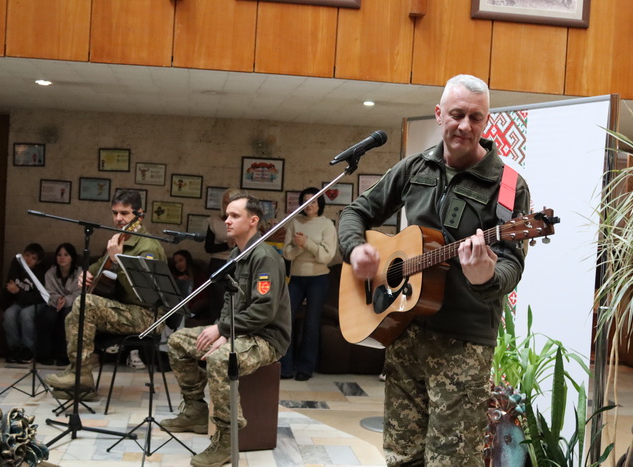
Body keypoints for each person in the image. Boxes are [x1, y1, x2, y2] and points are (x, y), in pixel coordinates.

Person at [337, 74, 531, 466]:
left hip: (463, 343)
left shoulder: (509, 185)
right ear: (439, 114)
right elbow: (356, 211)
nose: (465, 126)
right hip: (404, 329)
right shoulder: (415, 167)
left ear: (486, 121)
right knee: (401, 455)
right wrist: (355, 248)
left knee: (451, 460)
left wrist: (486, 277)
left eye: (476, 117)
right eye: (457, 114)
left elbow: (511, 263)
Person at [160, 193, 291, 467]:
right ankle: (195, 410)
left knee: (221, 359)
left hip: (266, 338)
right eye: (227, 215)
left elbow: (264, 311)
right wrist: (223, 332)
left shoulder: (265, 257)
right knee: (178, 340)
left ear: (253, 221)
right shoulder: (235, 255)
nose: (227, 221)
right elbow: (228, 305)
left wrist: (224, 330)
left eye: (234, 216)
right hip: (239, 332)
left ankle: (227, 438)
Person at [45, 190, 167, 392]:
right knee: (74, 314)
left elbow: (145, 295)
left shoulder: (148, 247)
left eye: (124, 213)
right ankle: (78, 373)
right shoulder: (118, 239)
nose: (118, 218)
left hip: (147, 315)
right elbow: (98, 267)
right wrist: (87, 274)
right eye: (115, 213)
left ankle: (80, 374)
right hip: (124, 308)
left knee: (86, 304)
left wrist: (118, 260)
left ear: (140, 215)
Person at [280, 187, 337, 381]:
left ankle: (305, 368)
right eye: (305, 202)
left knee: (312, 323)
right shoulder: (295, 222)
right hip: (296, 278)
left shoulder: (327, 225)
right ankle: (286, 367)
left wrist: (307, 243)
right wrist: (299, 247)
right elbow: (287, 254)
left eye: (313, 201)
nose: (309, 205)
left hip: (318, 279)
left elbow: (326, 257)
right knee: (286, 320)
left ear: (319, 204)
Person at [36, 243, 82, 366]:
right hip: (54, 302)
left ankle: (64, 356)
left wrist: (66, 300)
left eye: (66, 255)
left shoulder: (79, 273)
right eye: (59, 255)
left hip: (72, 302)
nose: (62, 258)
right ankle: (45, 355)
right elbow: (48, 291)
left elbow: (79, 292)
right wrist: (58, 299)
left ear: (72, 257)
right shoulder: (50, 273)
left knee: (67, 316)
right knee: (48, 317)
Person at [2, 243, 46, 364]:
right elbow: (9, 286)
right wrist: (15, 292)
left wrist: (18, 292)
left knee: (25, 314)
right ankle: (15, 348)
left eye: (33, 258)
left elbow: (38, 296)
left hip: (37, 303)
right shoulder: (16, 265)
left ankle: (28, 349)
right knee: (9, 314)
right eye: (27, 255)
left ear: (38, 261)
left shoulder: (40, 272)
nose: (28, 259)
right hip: (19, 302)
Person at [204, 187, 241, 323]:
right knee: (218, 302)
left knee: (235, 301)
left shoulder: (243, 221)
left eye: (231, 201)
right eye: (225, 202)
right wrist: (227, 245)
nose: (228, 205)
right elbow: (208, 248)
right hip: (218, 262)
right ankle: (216, 327)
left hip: (237, 263)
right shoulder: (214, 221)